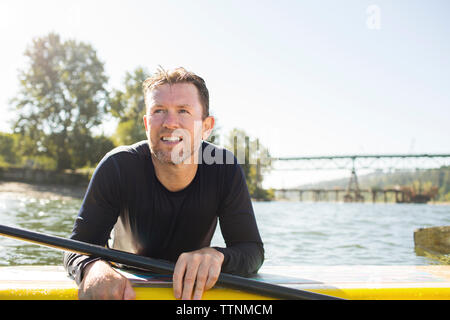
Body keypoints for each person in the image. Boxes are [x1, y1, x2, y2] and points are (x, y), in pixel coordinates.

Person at [63, 67, 264, 300]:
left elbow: (252, 250)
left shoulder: (225, 169)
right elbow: (76, 249)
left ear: (207, 127)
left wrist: (218, 256)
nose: (170, 122)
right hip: (126, 284)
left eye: (183, 111)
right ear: (147, 124)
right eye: (159, 111)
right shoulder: (117, 166)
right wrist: (93, 268)